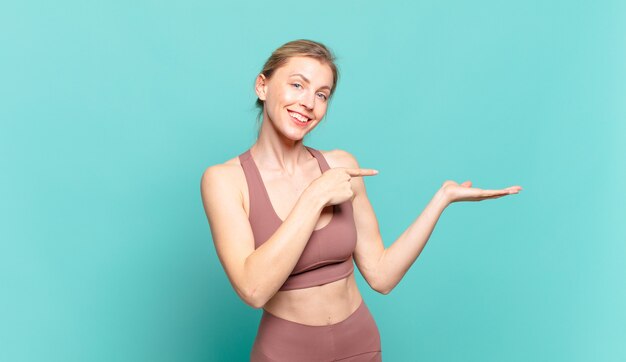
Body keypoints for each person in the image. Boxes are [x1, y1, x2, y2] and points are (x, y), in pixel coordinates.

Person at [200, 39, 522, 361]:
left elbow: (381, 276)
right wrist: (315, 196)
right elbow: (253, 289)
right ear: (262, 86)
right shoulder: (225, 180)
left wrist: (442, 199)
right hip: (285, 353)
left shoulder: (342, 166)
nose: (309, 102)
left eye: (322, 94)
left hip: (360, 345)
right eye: (298, 85)